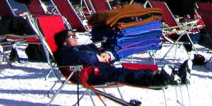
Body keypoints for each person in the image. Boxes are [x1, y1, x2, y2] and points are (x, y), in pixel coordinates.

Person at [54, 29, 183, 87]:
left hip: (100, 68)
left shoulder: (80, 47)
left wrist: (105, 54)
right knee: (122, 74)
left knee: (125, 69)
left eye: (75, 34)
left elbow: (94, 50)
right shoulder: (66, 51)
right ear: (64, 41)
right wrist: (98, 57)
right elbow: (86, 58)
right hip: (91, 74)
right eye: (72, 36)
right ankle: (156, 79)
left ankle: (171, 75)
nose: (76, 37)